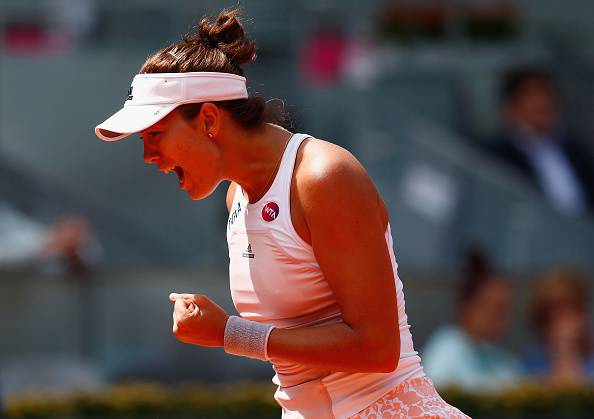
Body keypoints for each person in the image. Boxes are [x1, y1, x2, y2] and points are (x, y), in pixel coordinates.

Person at [94, 9, 468, 418]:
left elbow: (377, 348)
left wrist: (229, 333)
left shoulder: (324, 176)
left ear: (208, 119)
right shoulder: (235, 197)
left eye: (154, 134)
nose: (148, 156)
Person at [489, 66, 594, 216]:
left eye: (545, 93)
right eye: (530, 95)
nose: (541, 102)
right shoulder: (498, 158)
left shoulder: (575, 149)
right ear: (511, 106)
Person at [422, 250, 520, 392]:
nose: (504, 318)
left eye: (506, 310)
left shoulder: (504, 361)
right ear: (469, 307)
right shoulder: (446, 348)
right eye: (497, 309)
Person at [524, 269, 594, 385]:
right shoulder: (528, 366)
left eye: (574, 311)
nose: (568, 325)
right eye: (559, 316)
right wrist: (563, 356)